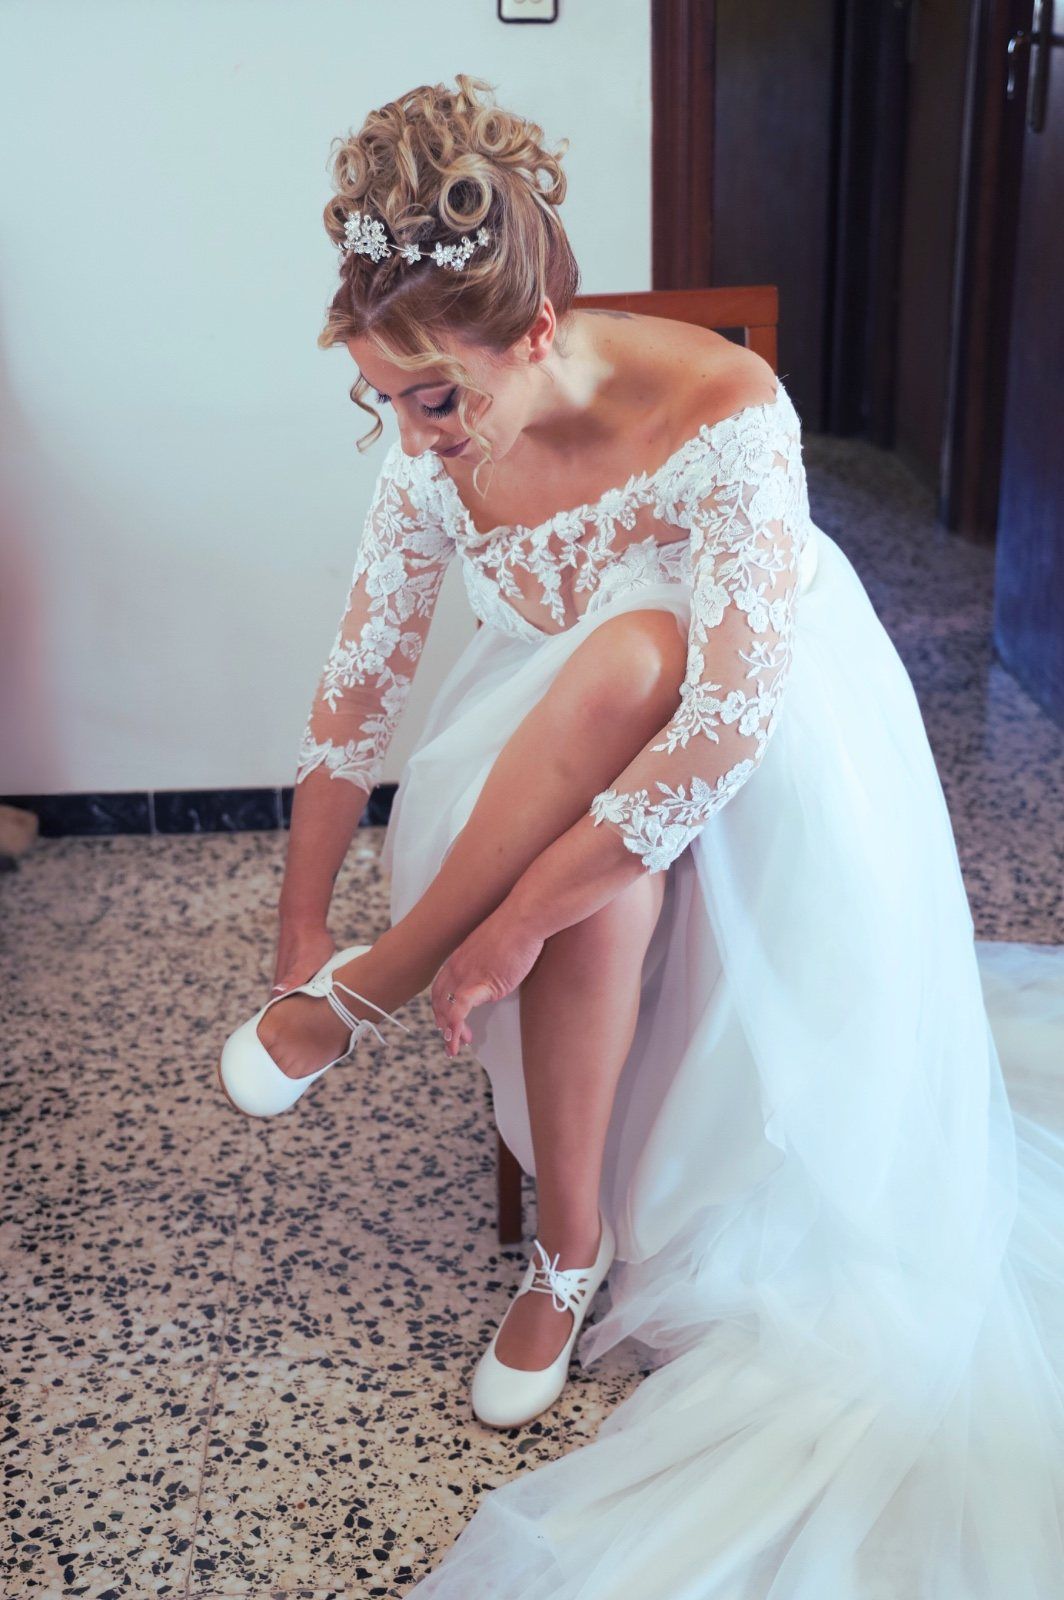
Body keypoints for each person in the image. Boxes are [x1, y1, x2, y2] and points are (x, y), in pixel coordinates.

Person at [220, 73, 1064, 1597]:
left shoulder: (725, 409)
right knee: (607, 764)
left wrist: (513, 920)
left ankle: (417, 1024)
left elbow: (727, 726)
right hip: (539, 755)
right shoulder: (433, 438)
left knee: (644, 658)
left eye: (433, 401)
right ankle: (559, 1233)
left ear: (538, 331)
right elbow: (360, 688)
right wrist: (295, 926)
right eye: (381, 400)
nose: (410, 437)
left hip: (762, 739)